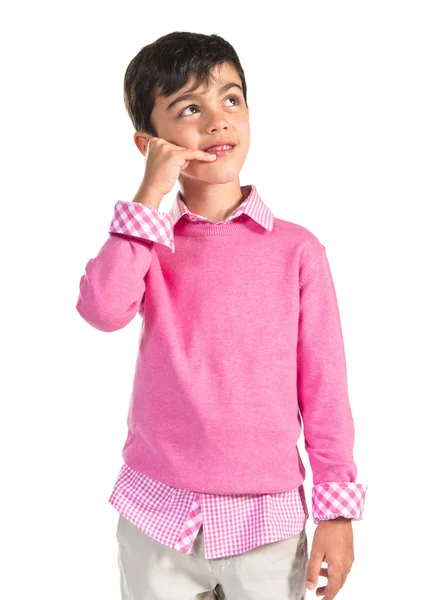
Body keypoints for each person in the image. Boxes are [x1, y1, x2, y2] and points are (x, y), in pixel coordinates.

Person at [76, 31, 367, 600]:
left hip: (266, 522)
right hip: (156, 510)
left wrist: (337, 511)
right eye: (190, 108)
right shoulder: (146, 242)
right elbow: (103, 310)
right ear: (150, 142)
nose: (217, 121)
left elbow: (325, 387)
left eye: (230, 100)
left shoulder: (297, 250)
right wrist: (149, 193)